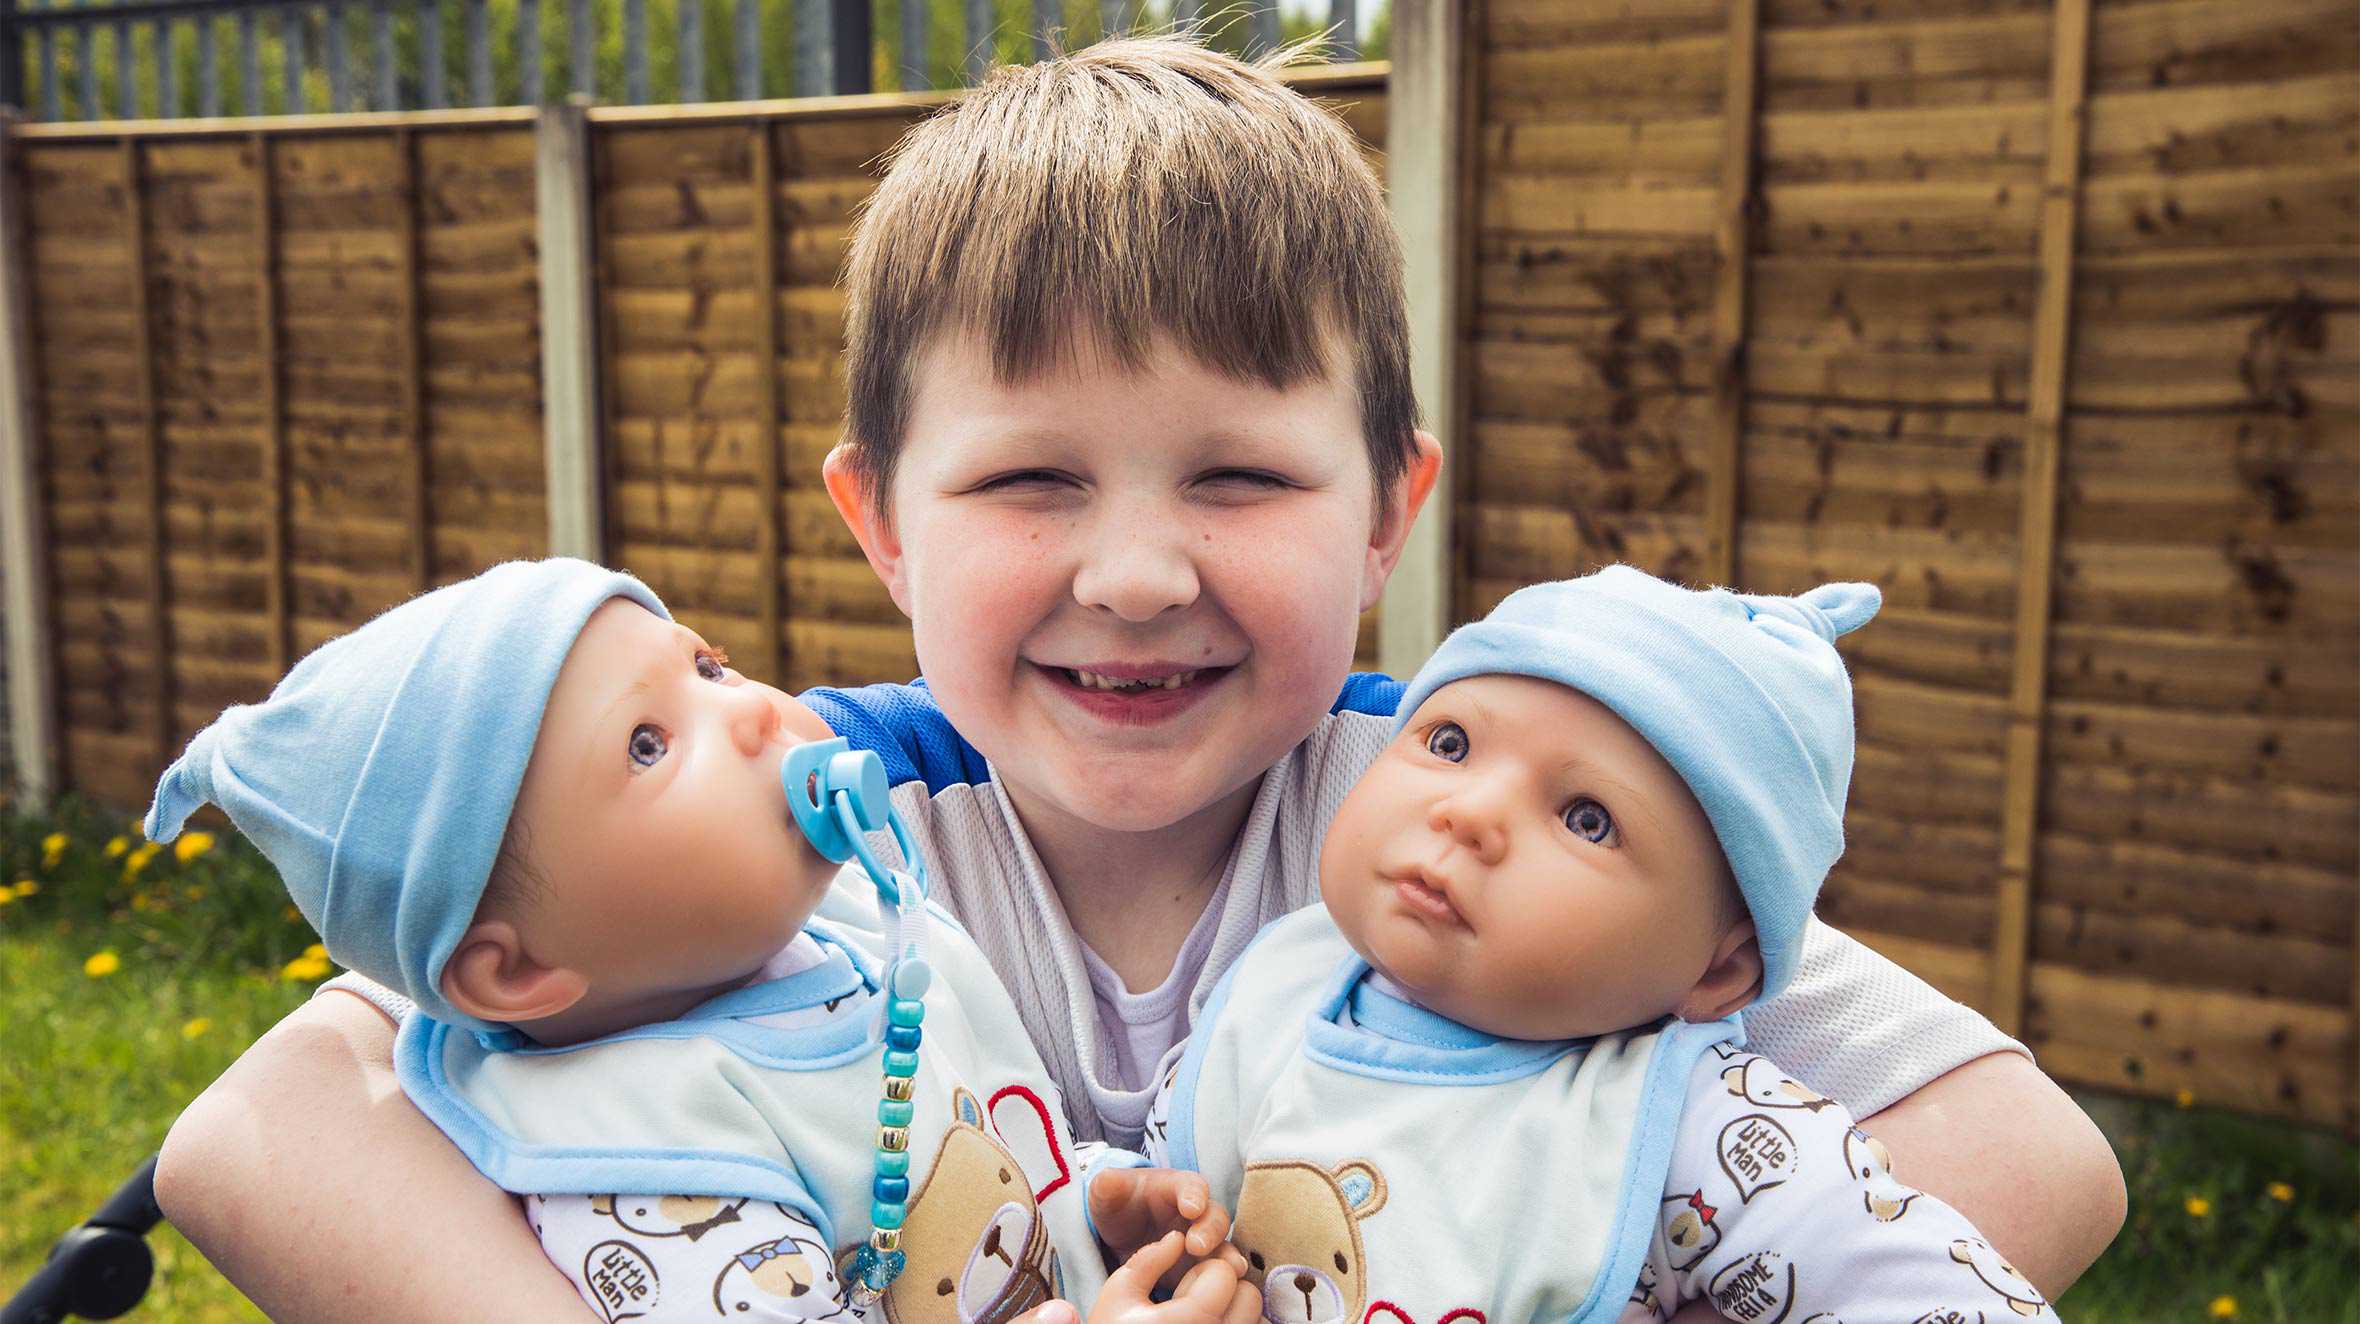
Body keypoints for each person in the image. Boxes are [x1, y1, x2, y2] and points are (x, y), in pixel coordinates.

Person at [153, 32, 2125, 1323]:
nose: (1135, 569)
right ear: (880, 524)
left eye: (1243, 477)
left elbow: (2037, 1161)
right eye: (1027, 477)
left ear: (1386, 519)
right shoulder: (780, 818)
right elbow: (258, 1134)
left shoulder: (1471, 820)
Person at [139, 558, 1250, 1324]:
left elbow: (976, 1132)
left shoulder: (855, 932)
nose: (760, 711)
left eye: (708, 666)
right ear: (514, 968)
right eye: (646, 743)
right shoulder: (656, 1174)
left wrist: (1095, 1198)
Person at [1085, 567, 2064, 1322]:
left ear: (1717, 967)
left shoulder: (1694, 1127)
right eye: (1451, 743)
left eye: (1586, 818)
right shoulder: (1271, 993)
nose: (1467, 814)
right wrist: (1133, 1217)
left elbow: (1961, 1297)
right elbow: (1153, 1168)